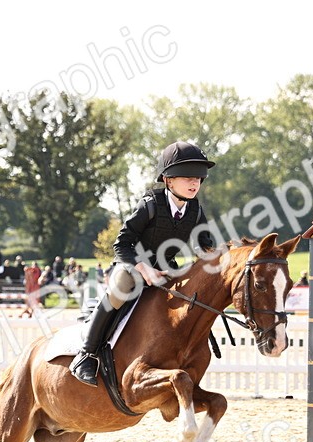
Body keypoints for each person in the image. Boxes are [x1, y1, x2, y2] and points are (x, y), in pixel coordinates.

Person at [70, 140, 216, 386]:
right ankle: (86, 355)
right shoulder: (149, 206)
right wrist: (142, 268)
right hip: (131, 265)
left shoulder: (196, 210)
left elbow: (205, 245)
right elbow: (121, 244)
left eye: (199, 178)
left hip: (165, 267)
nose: (195, 183)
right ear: (168, 180)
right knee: (119, 292)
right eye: (188, 177)